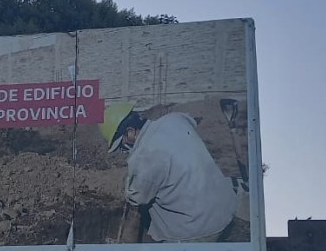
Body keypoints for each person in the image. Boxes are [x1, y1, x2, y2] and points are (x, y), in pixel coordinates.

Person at [98, 103, 242, 243]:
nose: (123, 151)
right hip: (224, 208)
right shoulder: (174, 119)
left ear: (130, 131)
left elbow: (137, 198)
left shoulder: (142, 158)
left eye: (121, 145)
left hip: (197, 229)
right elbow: (191, 121)